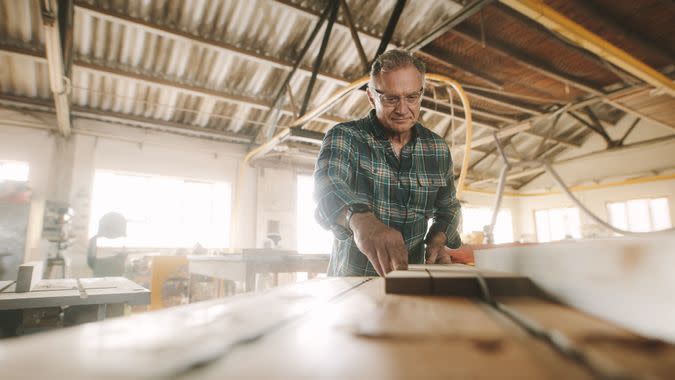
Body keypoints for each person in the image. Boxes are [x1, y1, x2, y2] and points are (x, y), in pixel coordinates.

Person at [313, 49, 474, 277]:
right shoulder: (346, 137)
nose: (402, 109)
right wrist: (361, 220)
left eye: (411, 97)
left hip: (412, 281)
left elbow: (449, 209)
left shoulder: (437, 149)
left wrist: (439, 238)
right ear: (371, 97)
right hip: (352, 283)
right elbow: (327, 188)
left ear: (421, 94)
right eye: (390, 98)